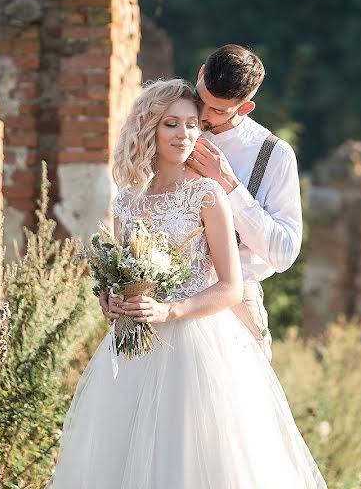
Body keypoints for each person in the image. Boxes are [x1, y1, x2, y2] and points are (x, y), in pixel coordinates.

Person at [48, 79, 326, 489]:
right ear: (149, 128)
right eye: (171, 125)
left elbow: (230, 287)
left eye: (193, 125)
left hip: (199, 344)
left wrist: (169, 310)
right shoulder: (127, 199)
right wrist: (113, 301)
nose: (185, 135)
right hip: (137, 347)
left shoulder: (207, 193)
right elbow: (125, 271)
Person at [103, 44, 300, 360]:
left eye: (218, 110)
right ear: (199, 75)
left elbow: (284, 253)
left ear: (245, 107)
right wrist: (115, 291)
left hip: (236, 301)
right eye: (201, 98)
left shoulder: (273, 155)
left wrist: (230, 187)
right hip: (153, 303)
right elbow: (134, 212)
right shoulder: (174, 120)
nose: (202, 115)